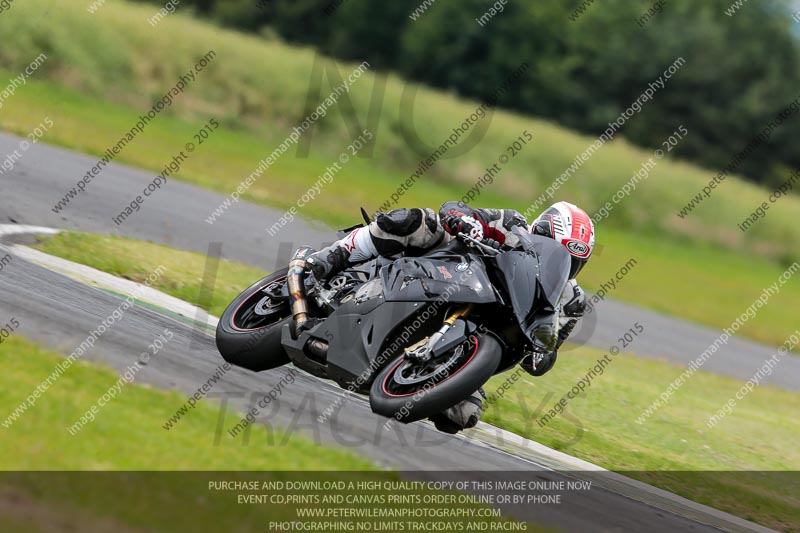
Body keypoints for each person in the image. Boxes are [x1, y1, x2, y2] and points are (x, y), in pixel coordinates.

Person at [305, 200, 595, 433]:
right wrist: (463, 219)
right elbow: (454, 208)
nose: (562, 263)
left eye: (573, 260)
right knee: (419, 222)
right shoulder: (511, 224)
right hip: (447, 273)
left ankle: (418, 371)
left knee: (462, 415)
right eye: (556, 249)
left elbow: (544, 354)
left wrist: (542, 353)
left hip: (474, 333)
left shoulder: (570, 301)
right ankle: (334, 256)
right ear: (539, 233)